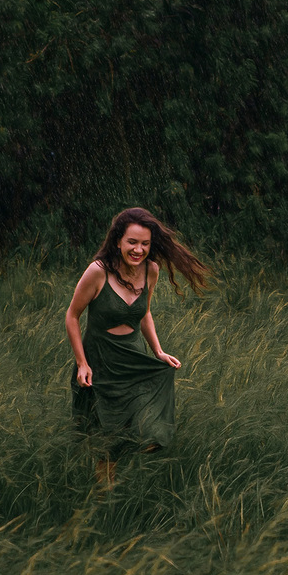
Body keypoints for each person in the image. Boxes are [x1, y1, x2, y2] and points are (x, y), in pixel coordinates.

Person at [65, 207, 209, 484]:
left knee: (148, 432)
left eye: (145, 243)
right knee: (107, 441)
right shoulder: (98, 272)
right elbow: (72, 316)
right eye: (132, 242)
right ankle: (104, 497)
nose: (138, 250)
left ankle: (118, 464)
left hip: (134, 359)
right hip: (100, 362)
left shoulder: (150, 270)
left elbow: (144, 313)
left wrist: (158, 351)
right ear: (118, 240)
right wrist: (82, 363)